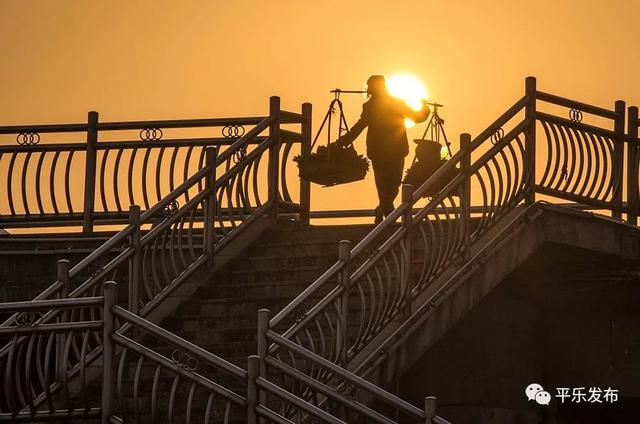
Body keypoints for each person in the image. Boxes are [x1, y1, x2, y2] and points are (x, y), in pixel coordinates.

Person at [337, 75, 430, 223]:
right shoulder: (385, 105)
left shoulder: (380, 105)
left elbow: (359, 127)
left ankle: (384, 211)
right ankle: (390, 221)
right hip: (389, 152)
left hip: (387, 152)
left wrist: (343, 141)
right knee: (388, 187)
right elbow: (417, 117)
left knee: (388, 187)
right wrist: (424, 107)